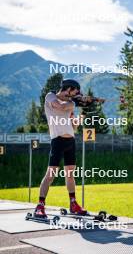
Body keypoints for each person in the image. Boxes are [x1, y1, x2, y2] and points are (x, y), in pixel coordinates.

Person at [34, 79, 87, 218]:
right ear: (68, 89)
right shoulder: (50, 96)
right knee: (50, 174)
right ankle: (40, 205)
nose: (75, 95)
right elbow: (60, 106)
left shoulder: (70, 105)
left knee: (70, 175)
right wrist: (75, 103)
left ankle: (73, 203)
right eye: (74, 92)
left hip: (70, 141)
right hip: (57, 140)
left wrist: (83, 112)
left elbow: (74, 126)